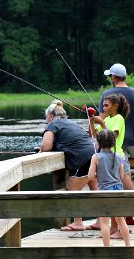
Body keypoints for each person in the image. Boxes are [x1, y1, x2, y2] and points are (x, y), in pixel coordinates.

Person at [39, 99, 97, 231]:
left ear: (52, 116)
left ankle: (77, 222)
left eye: (46, 116)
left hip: (83, 158)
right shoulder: (71, 123)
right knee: (95, 187)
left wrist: (41, 150)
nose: (45, 118)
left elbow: (45, 146)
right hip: (95, 153)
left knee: (72, 187)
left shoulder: (52, 125)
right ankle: (101, 220)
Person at [99, 63, 134, 189]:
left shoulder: (106, 94)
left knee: (123, 164)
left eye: (110, 76)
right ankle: (123, 163)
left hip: (115, 141)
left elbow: (101, 119)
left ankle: (123, 163)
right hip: (133, 139)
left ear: (114, 77)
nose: (110, 78)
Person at [89, 93, 130, 238]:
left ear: (115, 106)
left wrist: (101, 124)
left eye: (106, 105)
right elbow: (96, 136)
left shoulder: (118, 118)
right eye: (103, 105)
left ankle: (119, 230)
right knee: (111, 196)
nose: (103, 108)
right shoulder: (106, 118)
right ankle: (112, 230)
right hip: (106, 159)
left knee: (117, 197)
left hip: (116, 158)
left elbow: (111, 137)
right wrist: (92, 122)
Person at [88, 129, 131, 247]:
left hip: (104, 192)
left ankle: (107, 248)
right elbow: (122, 176)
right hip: (118, 190)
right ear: (113, 142)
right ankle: (128, 246)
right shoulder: (118, 156)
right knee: (121, 220)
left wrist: (99, 173)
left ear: (98, 142)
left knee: (104, 222)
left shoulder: (96, 157)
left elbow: (90, 176)